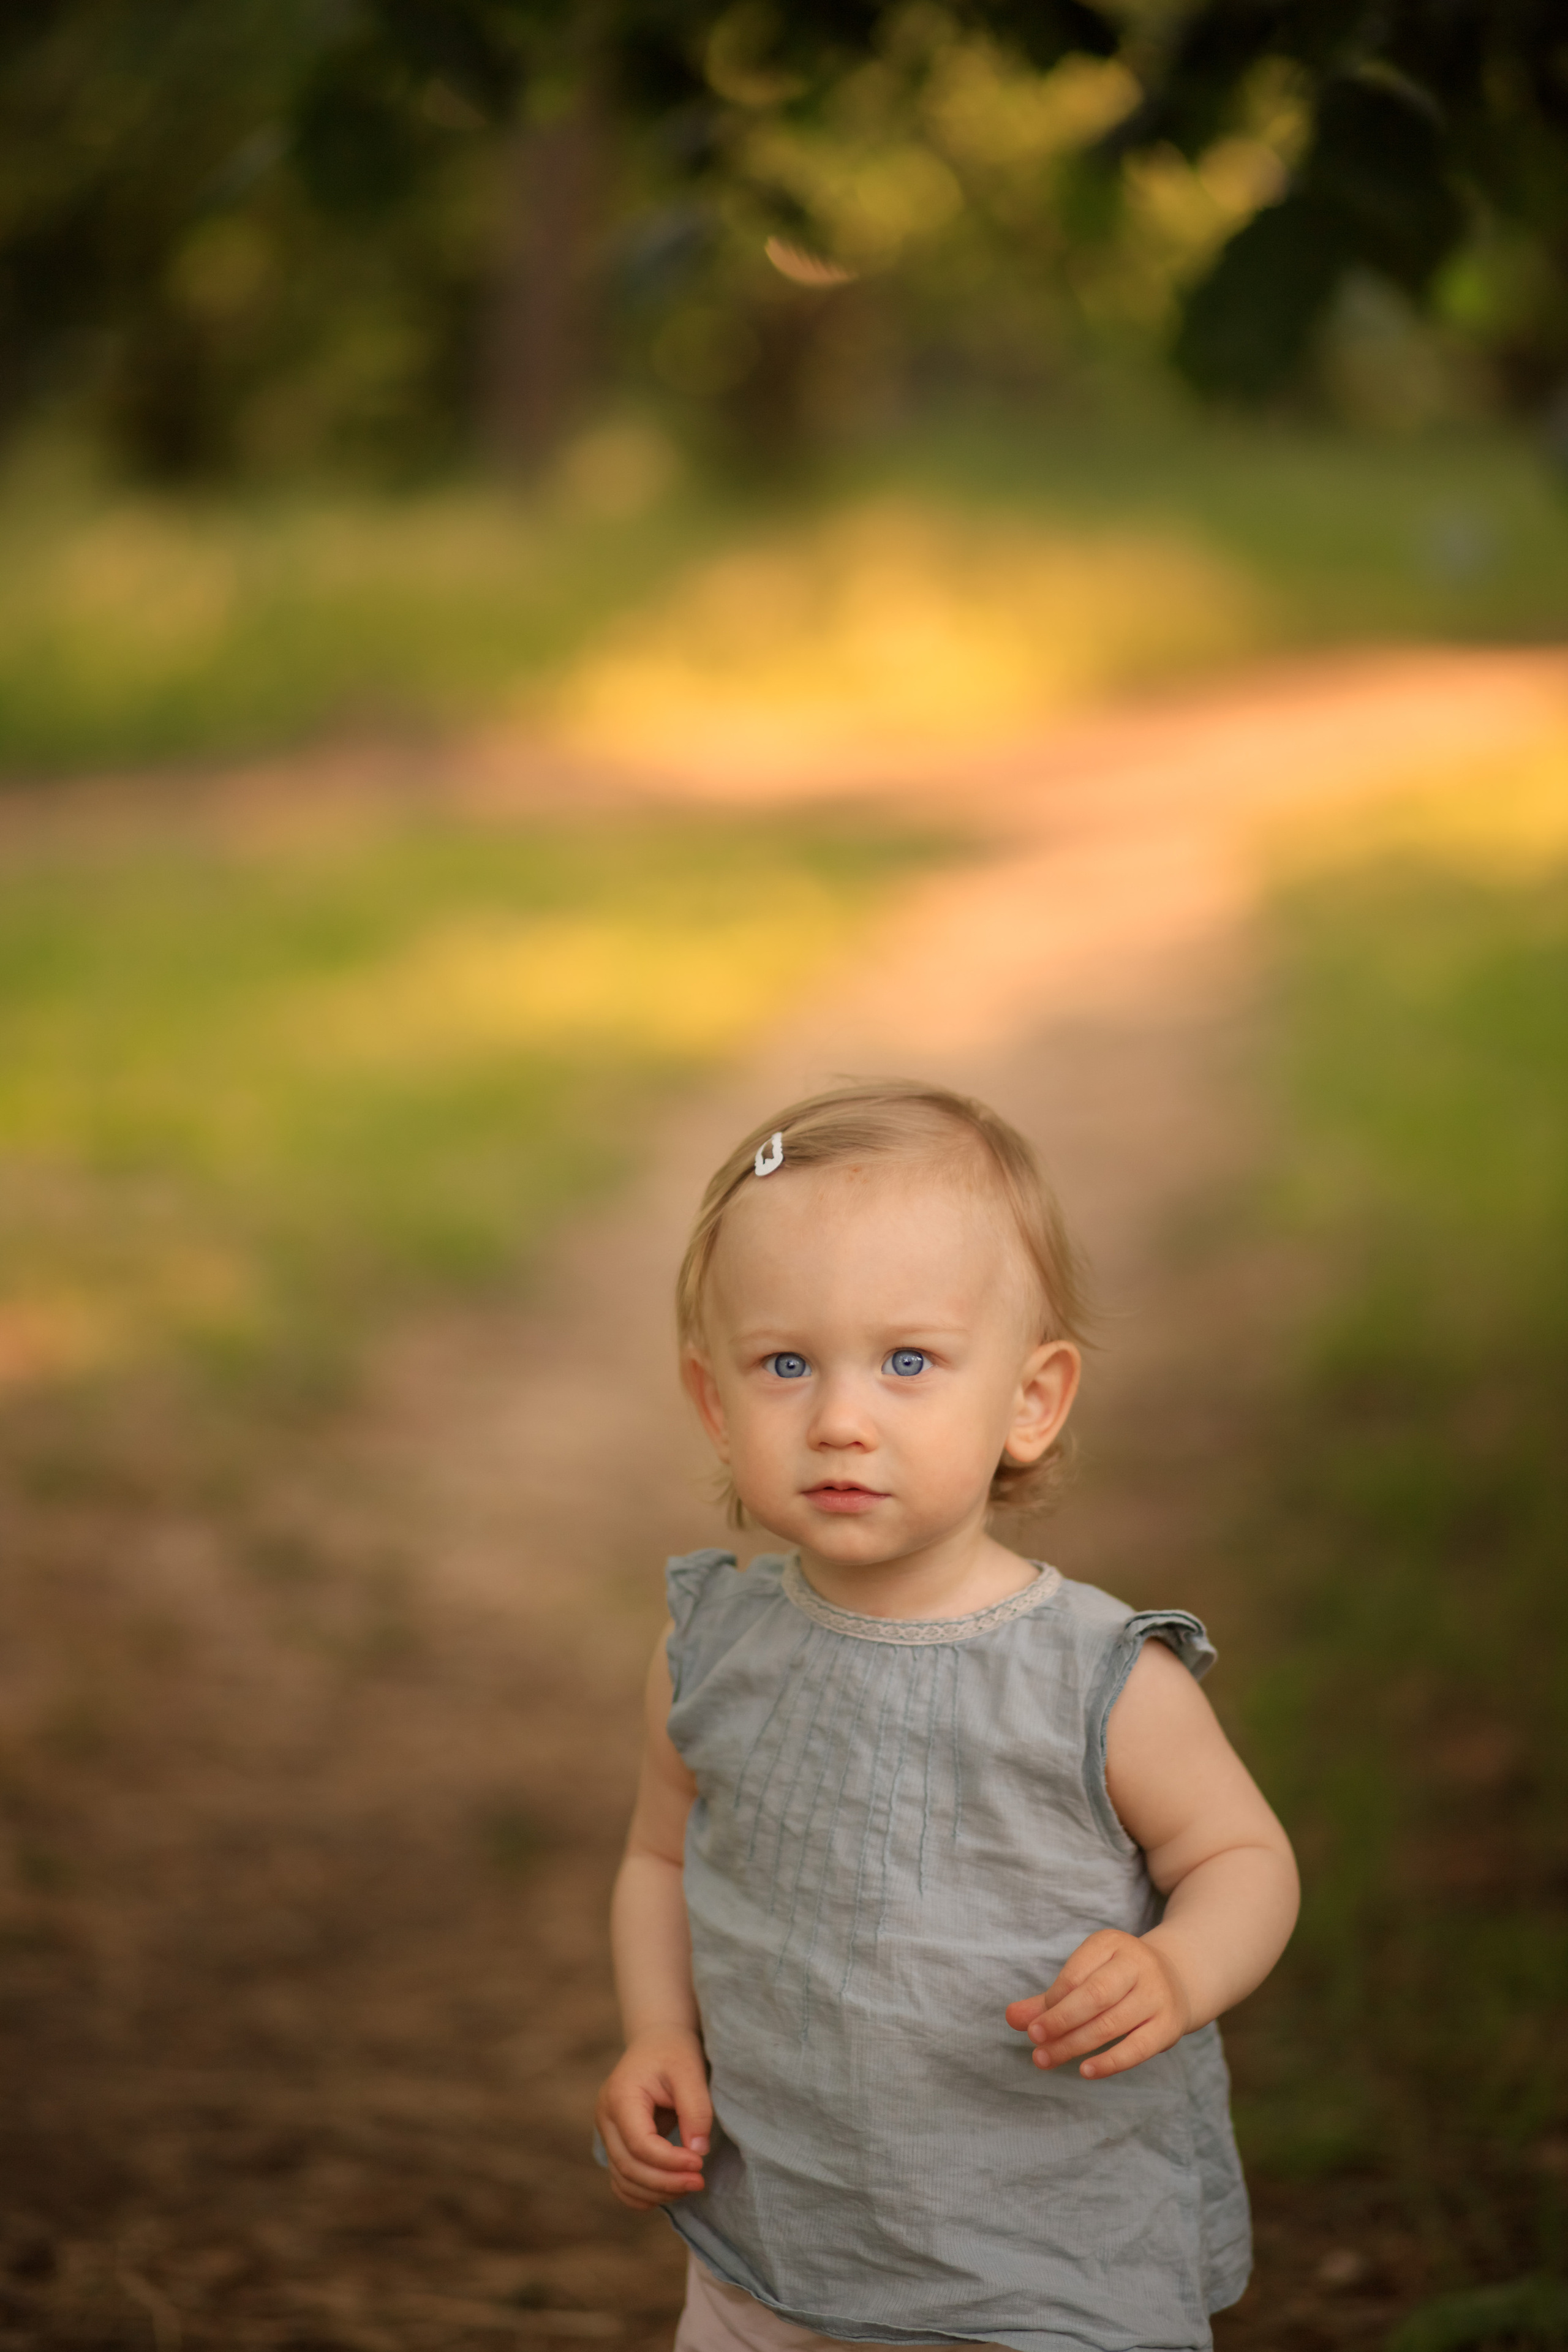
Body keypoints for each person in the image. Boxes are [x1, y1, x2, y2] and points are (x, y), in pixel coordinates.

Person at [594, 1080, 1299, 2352]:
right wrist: (656, 2029)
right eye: (785, 1364)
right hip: (777, 2252)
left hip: (1044, 2264)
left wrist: (1174, 1969)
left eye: (907, 1361)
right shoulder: (711, 1651)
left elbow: (1242, 1861)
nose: (841, 1419)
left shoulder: (1095, 1678)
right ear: (713, 1400)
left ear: (1030, 1401)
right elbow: (656, 1856)